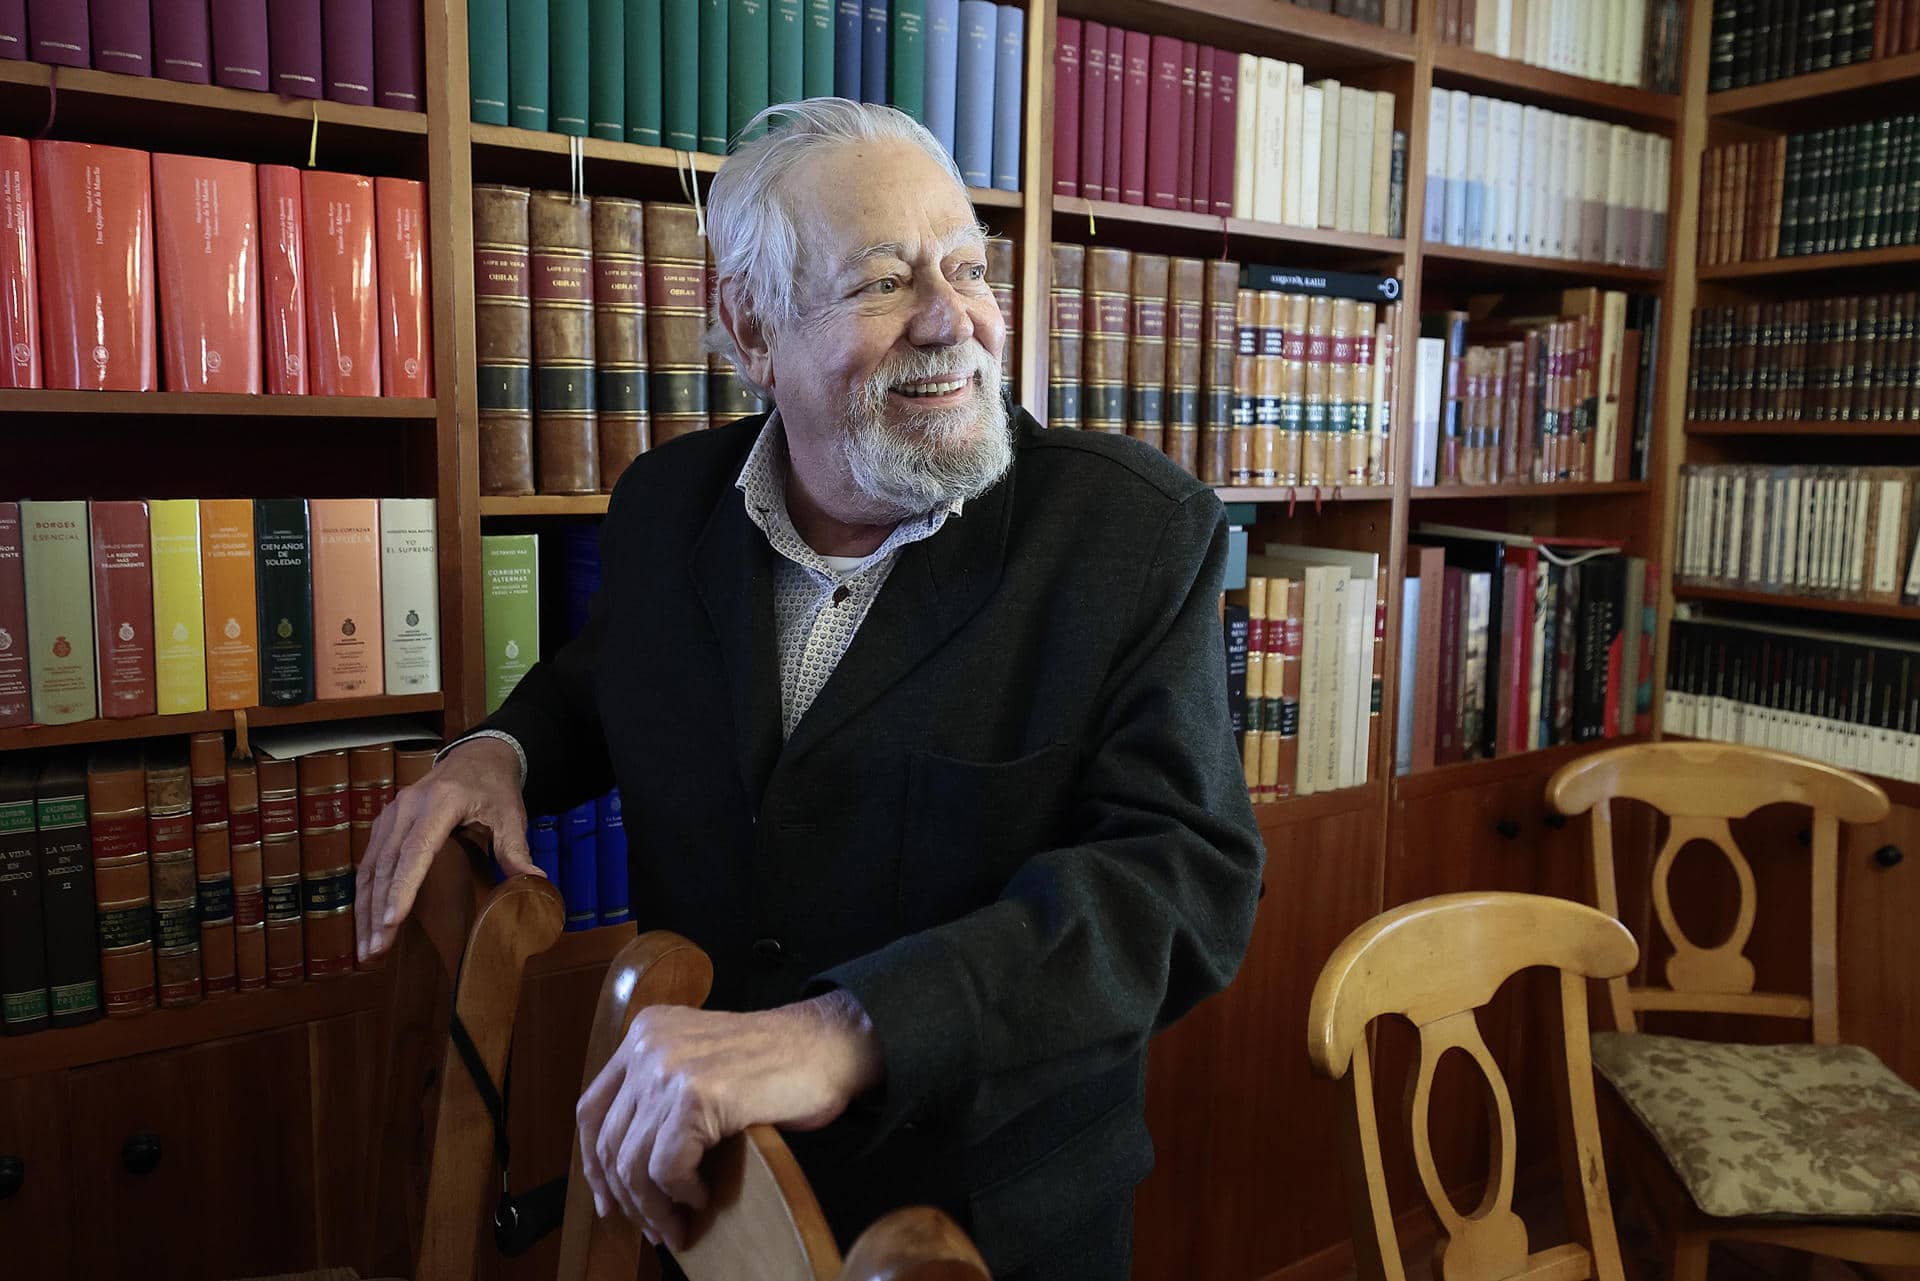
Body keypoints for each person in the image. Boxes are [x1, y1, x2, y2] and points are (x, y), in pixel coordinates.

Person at [355, 97, 1263, 1281]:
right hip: (694, 1200)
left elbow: (1182, 885)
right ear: (750, 326)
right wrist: (499, 753)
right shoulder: (666, 506)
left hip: (976, 1229)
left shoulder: (1130, 536)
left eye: (967, 267)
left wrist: (851, 1028)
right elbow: (605, 684)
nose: (955, 321)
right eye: (885, 282)